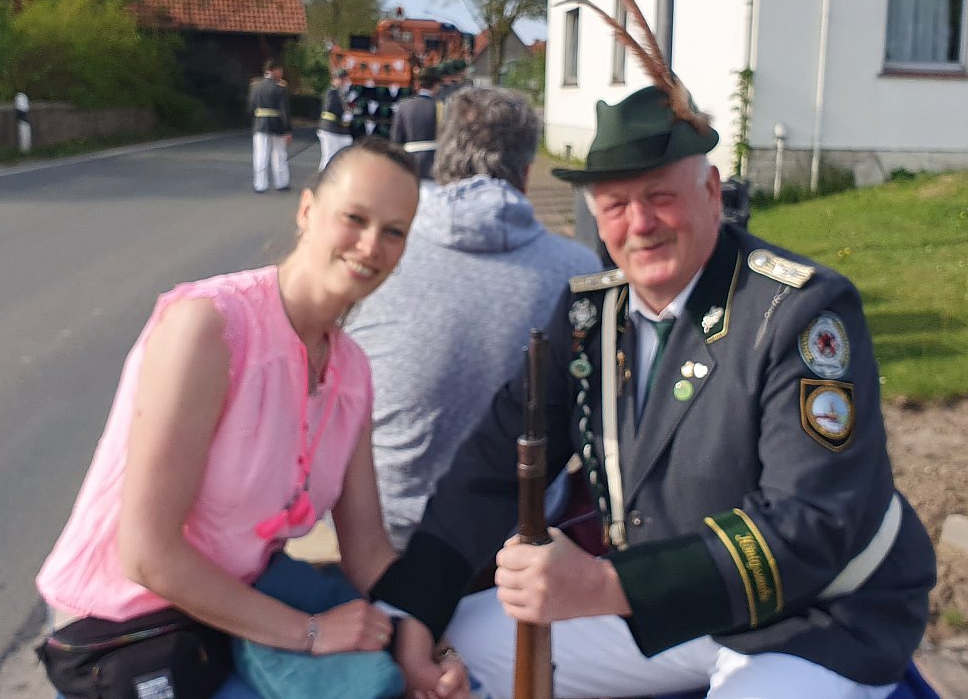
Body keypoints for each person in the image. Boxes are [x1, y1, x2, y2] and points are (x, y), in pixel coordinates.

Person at [371, 83, 936, 698]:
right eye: (615, 205)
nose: (639, 224)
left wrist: (602, 587)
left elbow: (811, 523)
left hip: (818, 615)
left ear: (712, 192)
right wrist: (413, 607)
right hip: (668, 607)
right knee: (460, 647)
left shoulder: (799, 312)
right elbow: (491, 466)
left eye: (660, 197)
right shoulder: (589, 316)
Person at [35, 140, 468, 699]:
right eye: (354, 219)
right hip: (128, 628)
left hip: (236, 616)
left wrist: (432, 644)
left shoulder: (351, 371)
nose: (370, 246)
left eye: (394, 231)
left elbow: (367, 551)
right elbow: (146, 555)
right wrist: (311, 633)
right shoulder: (211, 329)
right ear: (307, 210)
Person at [347, 85, 602, 551]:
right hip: (521, 534)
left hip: (383, 528)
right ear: (527, 172)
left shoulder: (372, 257)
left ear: (442, 159)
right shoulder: (580, 271)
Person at [390, 70, 444, 179]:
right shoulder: (440, 106)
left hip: (408, 160)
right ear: (436, 85)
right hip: (433, 161)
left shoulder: (403, 106)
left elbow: (396, 139)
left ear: (417, 85)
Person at [248, 60, 291, 192]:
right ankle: (281, 183)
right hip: (277, 126)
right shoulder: (280, 89)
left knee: (260, 156)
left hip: (260, 125)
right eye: (280, 70)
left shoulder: (255, 87)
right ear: (273, 70)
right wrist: (287, 130)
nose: (281, 73)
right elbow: (284, 111)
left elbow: (250, 108)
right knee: (279, 156)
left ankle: (260, 185)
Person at [317, 69, 355, 171]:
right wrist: (343, 114)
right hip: (330, 130)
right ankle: (323, 179)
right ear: (336, 79)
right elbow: (329, 108)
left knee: (342, 158)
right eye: (342, 80)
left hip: (340, 131)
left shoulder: (341, 93)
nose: (344, 82)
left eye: (345, 80)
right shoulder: (332, 92)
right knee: (329, 158)